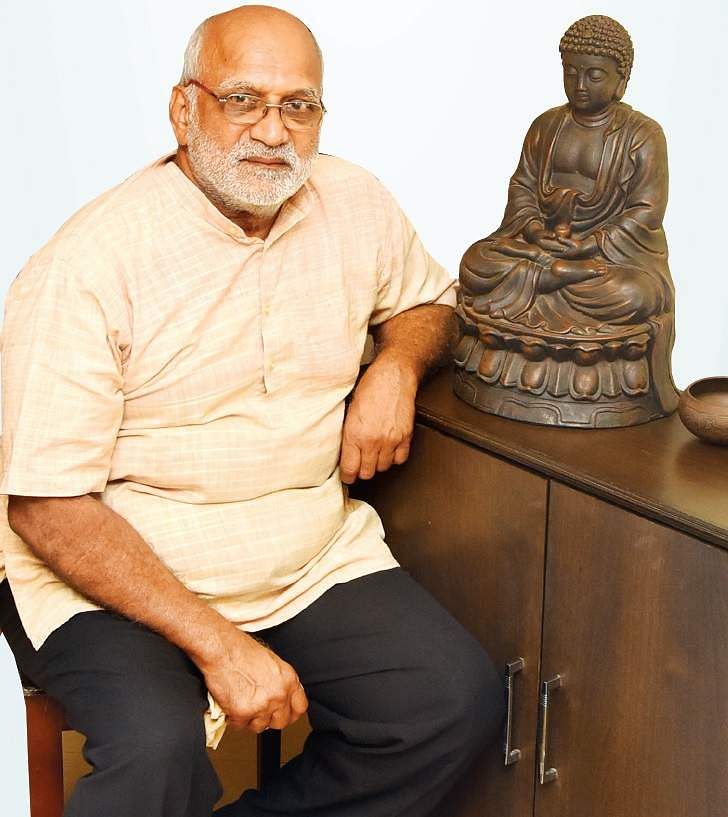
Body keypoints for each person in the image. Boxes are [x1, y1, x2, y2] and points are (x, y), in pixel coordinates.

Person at [0, 6, 505, 817]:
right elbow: (46, 506)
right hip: (117, 572)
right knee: (153, 752)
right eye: (243, 100)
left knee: (450, 700)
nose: (273, 131)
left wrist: (399, 368)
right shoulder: (87, 266)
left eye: (298, 105)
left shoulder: (352, 199)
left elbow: (429, 302)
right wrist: (219, 643)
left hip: (302, 552)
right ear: (183, 108)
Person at [460, 14, 673, 333]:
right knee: (475, 263)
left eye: (595, 75)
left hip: (605, 259)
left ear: (622, 79)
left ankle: (549, 280)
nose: (580, 85)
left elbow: (646, 212)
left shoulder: (642, 135)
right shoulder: (546, 126)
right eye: (571, 73)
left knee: (636, 295)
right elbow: (523, 185)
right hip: (540, 247)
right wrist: (533, 230)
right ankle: (554, 275)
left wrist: (589, 244)